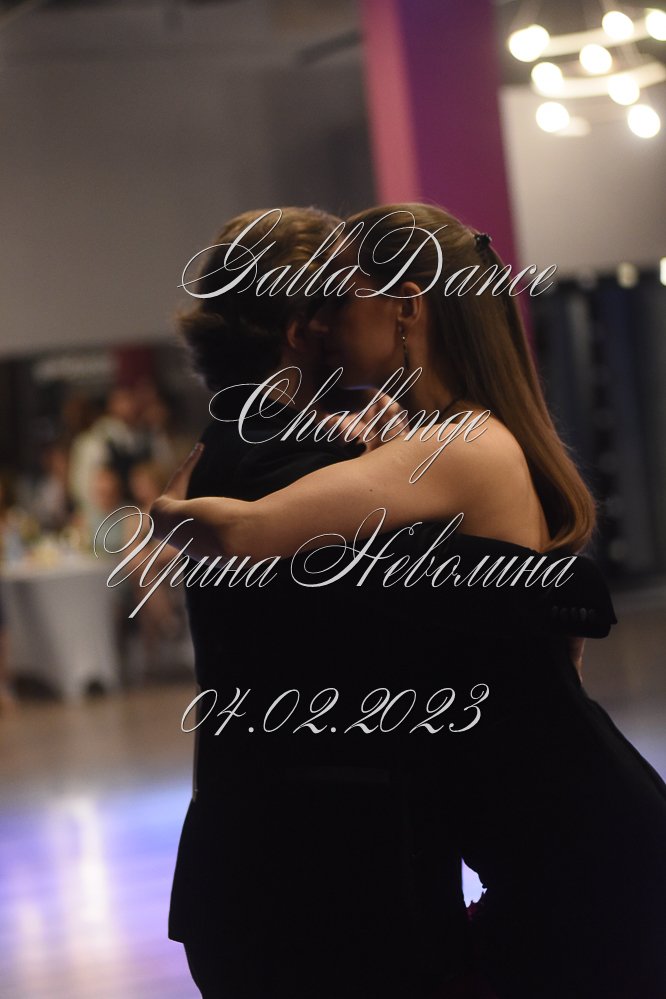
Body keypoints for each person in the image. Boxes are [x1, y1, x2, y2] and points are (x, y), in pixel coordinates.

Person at [152, 204, 666, 999]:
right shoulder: (367, 454)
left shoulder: (415, 453)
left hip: (555, 844)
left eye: (345, 295)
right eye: (325, 301)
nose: (333, 320)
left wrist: (166, 509)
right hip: (372, 881)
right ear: (299, 326)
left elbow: (247, 532)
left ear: (406, 307)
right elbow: (548, 615)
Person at [162, 207, 498, 999]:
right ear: (303, 327)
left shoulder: (232, 443)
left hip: (254, 868)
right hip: (332, 887)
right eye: (351, 295)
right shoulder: (299, 464)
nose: (372, 310)